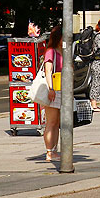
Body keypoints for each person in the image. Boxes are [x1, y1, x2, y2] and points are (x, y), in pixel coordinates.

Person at [42, 25, 63, 161]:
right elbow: (48, 71)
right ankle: (49, 151)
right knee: (52, 122)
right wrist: (51, 88)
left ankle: (54, 150)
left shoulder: (63, 51)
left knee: (58, 122)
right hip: (54, 89)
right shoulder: (51, 51)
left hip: (62, 89)